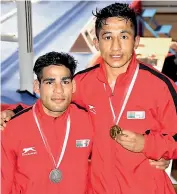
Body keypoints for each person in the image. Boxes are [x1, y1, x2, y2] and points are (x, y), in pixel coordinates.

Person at [1, 2, 177, 194]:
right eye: (107, 37)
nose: (116, 46)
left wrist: (148, 144)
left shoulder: (160, 86)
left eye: (124, 36)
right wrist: (12, 112)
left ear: (136, 41)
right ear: (96, 42)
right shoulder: (82, 83)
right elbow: (50, 105)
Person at [1, 52, 93, 194]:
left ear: (73, 86)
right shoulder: (12, 128)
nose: (58, 90)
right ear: (37, 86)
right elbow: (3, 184)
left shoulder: (89, 121)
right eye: (50, 82)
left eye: (65, 81)